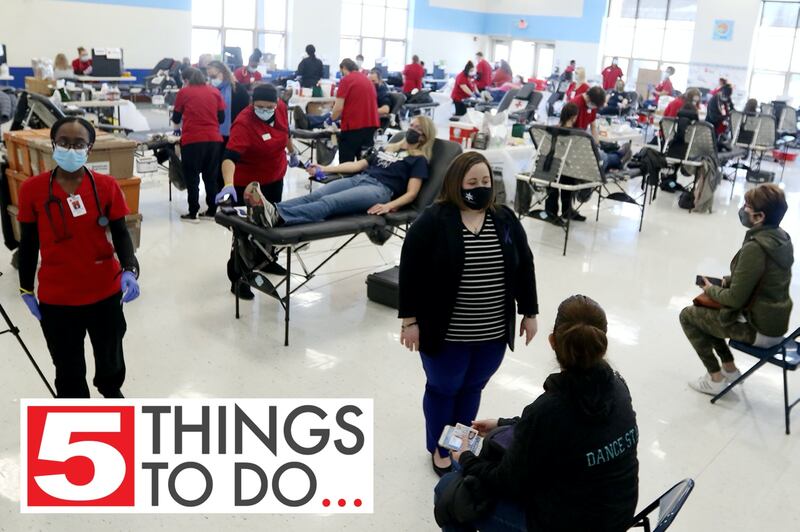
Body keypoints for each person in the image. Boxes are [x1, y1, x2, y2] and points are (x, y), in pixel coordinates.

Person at [434, 295, 639, 532]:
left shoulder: (550, 409)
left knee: (448, 490)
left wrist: (467, 457)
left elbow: (507, 482)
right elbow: (568, 431)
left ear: (552, 341)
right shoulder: (618, 387)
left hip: (564, 523)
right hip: (618, 515)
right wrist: (503, 423)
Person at [398, 151, 539, 477]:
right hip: (446, 334)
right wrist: (409, 320)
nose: (480, 188)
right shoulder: (434, 220)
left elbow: (525, 266)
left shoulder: (504, 219)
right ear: (455, 184)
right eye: (472, 182)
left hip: (491, 334)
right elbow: (411, 271)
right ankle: (439, 447)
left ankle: (459, 443)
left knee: (472, 388)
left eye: (485, 181)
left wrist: (529, 312)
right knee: (443, 389)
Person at [16, 117, 140, 398]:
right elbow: (28, 242)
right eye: (64, 143)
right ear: (54, 144)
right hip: (58, 298)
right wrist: (25, 288)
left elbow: (121, 233)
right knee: (68, 368)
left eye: (78, 144)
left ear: (90, 147)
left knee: (110, 357)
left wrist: (130, 269)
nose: (70, 149)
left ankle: (111, 393)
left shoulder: (106, 186)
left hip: (105, 292)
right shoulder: (32, 190)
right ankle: (77, 417)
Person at [682, 184, 793, 395]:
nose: (743, 209)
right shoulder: (780, 238)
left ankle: (715, 379)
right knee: (705, 316)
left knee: (688, 316)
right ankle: (730, 370)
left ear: (759, 216)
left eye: (747, 206)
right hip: (774, 324)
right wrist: (724, 282)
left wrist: (709, 288)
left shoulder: (755, 246)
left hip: (758, 328)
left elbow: (734, 300)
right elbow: (759, 277)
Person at [243, 116, 436, 227]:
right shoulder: (388, 148)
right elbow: (358, 165)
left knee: (330, 202)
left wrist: (388, 206)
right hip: (361, 178)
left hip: (380, 190)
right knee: (315, 195)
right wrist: (326, 168)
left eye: (417, 129)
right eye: (411, 125)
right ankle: (268, 210)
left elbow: (412, 194)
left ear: (424, 136)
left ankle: (279, 217)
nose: (411, 129)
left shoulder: (418, 159)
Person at [214, 84, 297, 299]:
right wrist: (228, 184)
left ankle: (268, 262)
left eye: (270, 106)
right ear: (252, 104)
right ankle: (239, 278)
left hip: (274, 177)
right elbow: (230, 157)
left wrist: (293, 152)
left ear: (277, 104)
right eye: (260, 106)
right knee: (245, 232)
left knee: (270, 223)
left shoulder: (280, 109)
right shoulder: (244, 123)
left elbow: (285, 133)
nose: (265, 110)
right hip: (247, 183)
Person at [546, 101, 629, 224]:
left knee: (567, 169)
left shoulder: (551, 130)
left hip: (553, 168)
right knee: (604, 157)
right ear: (574, 117)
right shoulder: (578, 134)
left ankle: (553, 212)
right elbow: (588, 155)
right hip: (574, 169)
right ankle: (619, 155)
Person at [172, 67, 225, 222]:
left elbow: (176, 117)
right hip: (214, 140)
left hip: (193, 140)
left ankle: (193, 212)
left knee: (192, 177)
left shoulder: (184, 93)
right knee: (211, 177)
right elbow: (221, 118)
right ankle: (212, 211)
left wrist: (179, 127)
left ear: (187, 80)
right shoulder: (215, 92)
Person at [331, 58, 380, 163]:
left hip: (353, 127)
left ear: (344, 68)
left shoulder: (346, 80)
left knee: (346, 164)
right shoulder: (367, 80)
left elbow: (338, 107)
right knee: (363, 163)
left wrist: (331, 119)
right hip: (371, 126)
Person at [207, 60, 250, 143]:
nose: (212, 80)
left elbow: (245, 112)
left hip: (233, 132)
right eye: (210, 77)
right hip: (212, 134)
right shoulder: (208, 90)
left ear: (223, 73)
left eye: (213, 77)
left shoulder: (238, 89)